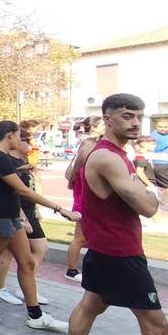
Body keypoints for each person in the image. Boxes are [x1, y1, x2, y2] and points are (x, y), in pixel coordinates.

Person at [54, 93, 168, 335]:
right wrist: (153, 194)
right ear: (107, 118)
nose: (134, 123)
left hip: (105, 249)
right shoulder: (107, 157)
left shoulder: (115, 155)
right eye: (127, 116)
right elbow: (147, 207)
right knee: (157, 326)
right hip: (120, 253)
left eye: (138, 117)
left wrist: (141, 191)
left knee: (91, 304)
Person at [0, 121, 76, 330]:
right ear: (10, 136)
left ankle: (35, 316)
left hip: (11, 217)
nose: (23, 140)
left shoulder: (2, 157)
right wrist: (60, 209)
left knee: (27, 263)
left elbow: (7, 181)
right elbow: (23, 190)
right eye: (19, 136)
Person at [0, 129, 51, 306]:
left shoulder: (22, 161)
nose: (31, 145)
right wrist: (58, 208)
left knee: (36, 249)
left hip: (27, 209)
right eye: (26, 140)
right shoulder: (3, 159)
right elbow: (17, 190)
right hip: (16, 211)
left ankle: (23, 286)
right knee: (4, 253)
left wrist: (36, 208)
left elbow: (30, 187)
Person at [64, 117, 103, 282]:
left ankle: (89, 268)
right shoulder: (89, 146)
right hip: (84, 204)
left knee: (91, 238)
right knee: (80, 239)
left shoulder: (91, 146)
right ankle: (71, 270)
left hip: (89, 203)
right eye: (103, 124)